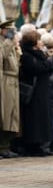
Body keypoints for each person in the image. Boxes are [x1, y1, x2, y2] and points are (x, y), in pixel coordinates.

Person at [19, 27, 53, 156]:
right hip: (34, 93)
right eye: (39, 40)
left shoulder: (38, 53)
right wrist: (49, 63)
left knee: (42, 119)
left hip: (42, 91)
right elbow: (36, 68)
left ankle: (41, 143)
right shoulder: (27, 55)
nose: (41, 43)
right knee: (34, 120)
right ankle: (33, 144)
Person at [0, 20, 20, 159]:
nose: (11, 32)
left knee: (13, 115)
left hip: (13, 80)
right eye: (9, 30)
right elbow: (3, 57)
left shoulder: (10, 43)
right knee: (5, 113)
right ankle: (2, 146)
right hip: (5, 80)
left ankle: (6, 146)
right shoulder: (3, 43)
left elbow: (16, 63)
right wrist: (9, 42)